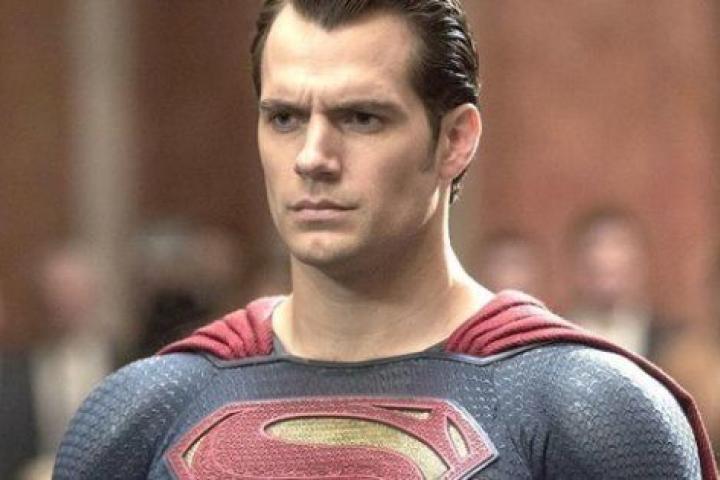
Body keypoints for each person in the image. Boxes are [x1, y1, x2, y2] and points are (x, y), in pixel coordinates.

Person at [53, 1, 716, 479]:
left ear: (455, 140)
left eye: (361, 117)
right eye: (284, 117)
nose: (312, 157)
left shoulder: (589, 414)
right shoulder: (140, 415)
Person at [566, 207, 676, 361]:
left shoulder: (673, 345)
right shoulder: (556, 339)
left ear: (641, 263)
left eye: (618, 245)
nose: (605, 258)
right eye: (593, 246)